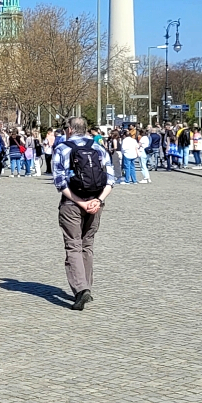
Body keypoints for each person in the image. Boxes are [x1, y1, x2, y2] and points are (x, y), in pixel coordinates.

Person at [51, 118, 114, 310]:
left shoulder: (62, 148)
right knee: (88, 244)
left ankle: (81, 289)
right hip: (96, 201)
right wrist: (98, 200)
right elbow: (111, 179)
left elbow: (60, 182)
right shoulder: (99, 147)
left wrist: (80, 202)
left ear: (69, 130)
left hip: (72, 203)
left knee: (73, 244)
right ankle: (87, 285)